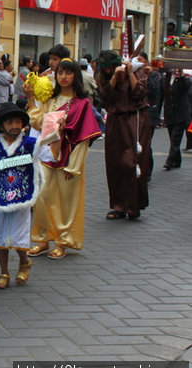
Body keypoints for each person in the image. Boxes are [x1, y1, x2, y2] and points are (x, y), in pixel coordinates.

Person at [26, 58, 101, 259]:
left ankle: (63, 241)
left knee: (67, 201)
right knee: (43, 198)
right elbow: (37, 122)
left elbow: (85, 139)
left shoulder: (83, 104)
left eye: (68, 73)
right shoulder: (50, 100)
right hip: (47, 155)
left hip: (69, 158)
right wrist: (31, 99)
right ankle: (42, 239)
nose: (63, 77)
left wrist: (74, 165)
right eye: (60, 73)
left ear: (75, 75)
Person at [0, 102, 53, 288]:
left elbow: (50, 156)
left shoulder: (30, 145)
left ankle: (24, 261)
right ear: (2, 126)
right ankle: (3, 272)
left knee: (19, 235)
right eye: (10, 123)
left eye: (18, 122)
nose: (15, 126)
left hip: (22, 196)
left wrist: (57, 137)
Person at [96, 50, 151, 220]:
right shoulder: (105, 77)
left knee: (133, 163)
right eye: (105, 69)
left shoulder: (136, 71)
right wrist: (113, 79)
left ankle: (134, 206)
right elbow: (105, 98)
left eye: (110, 68)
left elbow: (140, 94)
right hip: (115, 122)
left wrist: (128, 72)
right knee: (115, 164)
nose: (107, 71)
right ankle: (119, 205)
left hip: (134, 120)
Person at [162, 69, 191, 170]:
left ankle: (169, 161)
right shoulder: (166, 79)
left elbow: (186, 88)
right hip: (170, 113)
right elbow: (162, 96)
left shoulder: (184, 80)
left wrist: (181, 76)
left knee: (175, 139)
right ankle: (177, 160)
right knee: (172, 139)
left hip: (181, 114)